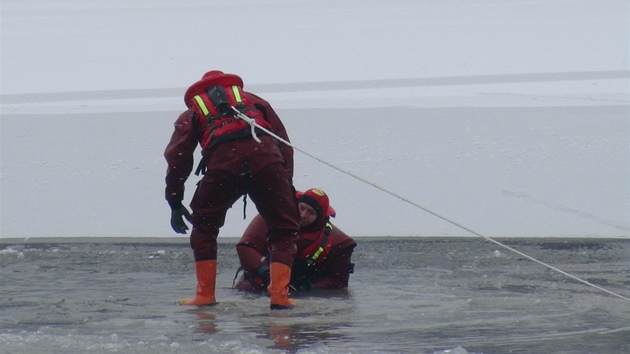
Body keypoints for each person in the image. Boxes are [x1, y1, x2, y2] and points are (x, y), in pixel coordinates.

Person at [164, 70, 300, 309]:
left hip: (224, 168)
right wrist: (284, 184)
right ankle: (279, 296)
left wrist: (175, 201)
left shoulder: (193, 112)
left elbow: (179, 158)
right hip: (267, 163)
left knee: (205, 227)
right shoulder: (255, 102)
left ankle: (205, 295)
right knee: (284, 229)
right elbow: (283, 142)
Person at [235, 188, 356, 293]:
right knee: (246, 288)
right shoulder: (272, 217)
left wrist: (305, 287)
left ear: (320, 217)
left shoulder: (339, 243)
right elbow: (245, 247)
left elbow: (338, 281)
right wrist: (266, 275)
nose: (303, 215)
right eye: (301, 208)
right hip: (259, 284)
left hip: (300, 291)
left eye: (311, 212)